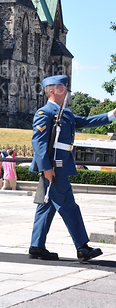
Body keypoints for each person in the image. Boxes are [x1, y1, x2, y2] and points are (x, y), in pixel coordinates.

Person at [29, 74, 116, 262]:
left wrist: (112, 115)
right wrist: (46, 168)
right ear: (51, 91)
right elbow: (39, 143)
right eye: (62, 88)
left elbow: (87, 121)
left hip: (59, 166)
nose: (66, 91)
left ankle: (36, 246)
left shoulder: (66, 113)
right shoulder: (44, 113)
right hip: (54, 168)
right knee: (69, 206)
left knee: (47, 206)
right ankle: (82, 247)